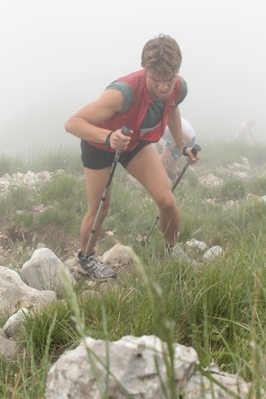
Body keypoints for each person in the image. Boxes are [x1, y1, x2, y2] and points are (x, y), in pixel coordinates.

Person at [65, 34, 200, 281]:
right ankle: (86, 258)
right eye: (156, 79)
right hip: (100, 144)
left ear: (177, 72)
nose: (162, 87)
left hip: (135, 144)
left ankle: (172, 250)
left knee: (167, 201)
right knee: (100, 209)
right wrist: (108, 137)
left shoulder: (177, 88)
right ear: (145, 69)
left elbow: (172, 110)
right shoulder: (123, 92)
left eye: (168, 80)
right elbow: (72, 123)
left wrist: (182, 147)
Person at [155, 117, 196, 182]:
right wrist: (157, 143)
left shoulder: (171, 125)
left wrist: (168, 148)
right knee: (172, 165)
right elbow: (153, 132)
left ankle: (177, 183)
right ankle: (180, 180)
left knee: (162, 163)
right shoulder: (153, 122)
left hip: (185, 140)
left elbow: (187, 140)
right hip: (173, 139)